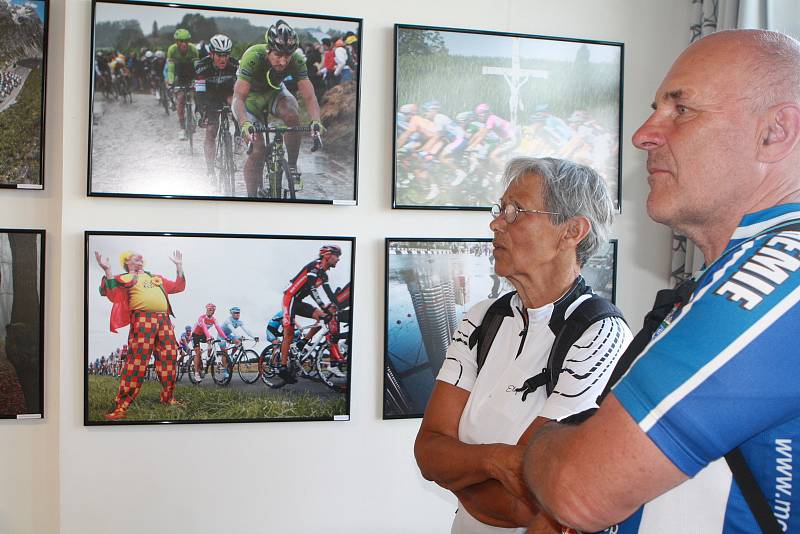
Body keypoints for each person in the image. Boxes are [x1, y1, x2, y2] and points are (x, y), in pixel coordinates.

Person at [522, 29, 800, 533]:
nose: (643, 133)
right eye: (656, 109)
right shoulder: (722, 278)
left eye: (682, 110)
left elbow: (580, 490)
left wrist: (538, 446)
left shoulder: (784, 273)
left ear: (775, 132)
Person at [414, 157, 632, 533]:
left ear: (572, 231)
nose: (496, 222)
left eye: (516, 211)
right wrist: (496, 461)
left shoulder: (600, 333)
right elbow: (428, 453)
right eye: (500, 209)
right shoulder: (482, 318)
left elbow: (522, 502)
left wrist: (459, 473)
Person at [233, 19, 322, 197]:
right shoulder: (253, 56)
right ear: (268, 50)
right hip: (250, 99)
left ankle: (292, 166)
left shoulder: (296, 59)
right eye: (278, 55)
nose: (282, 61)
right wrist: (244, 123)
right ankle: (252, 199)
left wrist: (316, 121)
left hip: (275, 92)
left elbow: (309, 95)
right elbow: (239, 97)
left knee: (292, 115)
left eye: (287, 56)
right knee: (258, 149)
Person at [94, 250, 185, 421]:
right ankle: (122, 405)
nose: (141, 258)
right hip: (143, 320)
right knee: (137, 361)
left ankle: (168, 398)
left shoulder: (155, 277)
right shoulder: (124, 278)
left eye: (141, 257)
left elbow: (178, 286)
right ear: (127, 261)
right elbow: (109, 292)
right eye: (136, 257)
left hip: (164, 320)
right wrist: (107, 271)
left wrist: (179, 266)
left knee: (170, 357)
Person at [274, 244, 343, 387]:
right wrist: (323, 305)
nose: (338, 259)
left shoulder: (324, 275)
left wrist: (338, 307)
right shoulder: (315, 267)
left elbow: (329, 294)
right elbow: (312, 288)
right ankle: (282, 366)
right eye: (337, 256)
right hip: (290, 297)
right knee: (289, 331)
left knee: (324, 317)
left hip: (299, 300)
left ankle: (302, 342)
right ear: (327, 255)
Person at [194, 34, 241, 180]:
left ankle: (238, 135)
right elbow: (199, 93)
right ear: (211, 54)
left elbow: (241, 90)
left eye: (226, 55)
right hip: (209, 97)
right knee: (211, 130)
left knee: (235, 103)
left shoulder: (235, 66)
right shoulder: (202, 67)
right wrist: (202, 112)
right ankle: (210, 170)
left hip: (227, 93)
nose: (223, 59)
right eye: (219, 55)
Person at [166, 28, 199, 141]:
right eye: (181, 41)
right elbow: (170, 69)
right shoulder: (172, 50)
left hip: (191, 73)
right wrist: (170, 81)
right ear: (177, 42)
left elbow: (197, 68)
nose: (184, 43)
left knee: (197, 95)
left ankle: (196, 114)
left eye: (186, 41)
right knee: (180, 99)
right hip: (179, 74)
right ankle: (182, 128)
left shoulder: (193, 49)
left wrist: (198, 80)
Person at [191, 303, 229, 382]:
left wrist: (225, 337)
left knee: (212, 341)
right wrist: (208, 336)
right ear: (207, 310)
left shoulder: (214, 319)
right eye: (210, 310)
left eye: (213, 310)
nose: (211, 312)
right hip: (195, 335)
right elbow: (204, 328)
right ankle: (196, 373)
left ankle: (207, 358)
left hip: (203, 334)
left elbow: (219, 329)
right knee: (198, 353)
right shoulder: (202, 318)